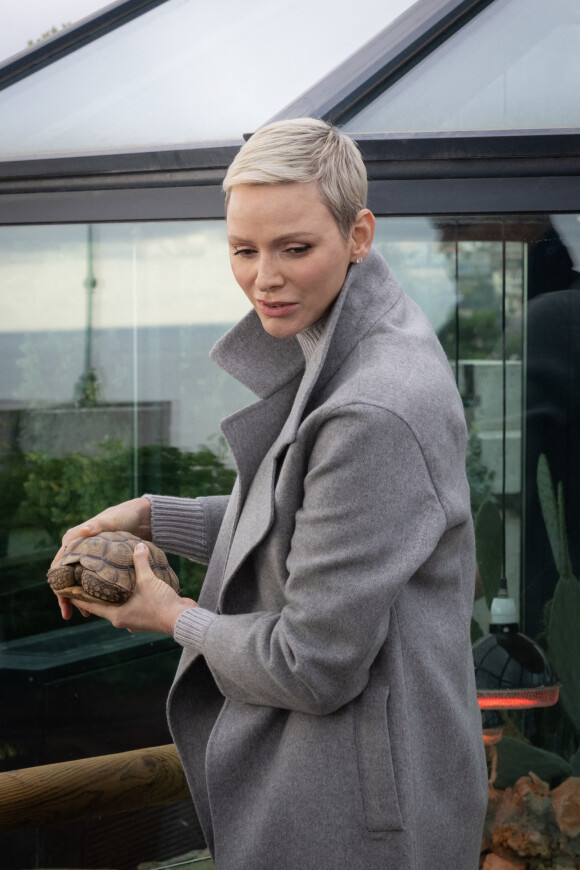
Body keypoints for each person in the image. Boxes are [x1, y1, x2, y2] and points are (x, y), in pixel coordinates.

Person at [53, 118, 488, 869]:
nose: (265, 278)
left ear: (359, 235)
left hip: (356, 821)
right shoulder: (359, 339)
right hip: (355, 790)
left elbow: (310, 665)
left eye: (296, 248)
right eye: (243, 250)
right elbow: (317, 524)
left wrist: (172, 616)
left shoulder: (372, 406)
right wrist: (161, 516)